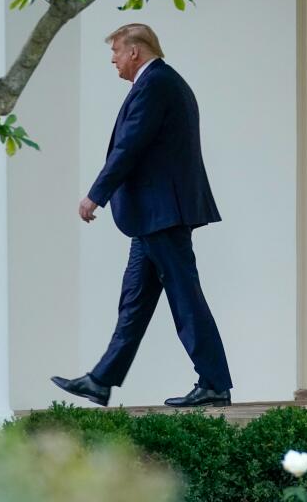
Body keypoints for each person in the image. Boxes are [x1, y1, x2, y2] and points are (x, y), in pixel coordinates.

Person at [51, 23, 233, 408]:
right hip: (153, 216)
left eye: (115, 52)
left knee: (186, 298)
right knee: (134, 301)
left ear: (135, 51)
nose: (113, 61)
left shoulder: (156, 85)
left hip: (161, 215)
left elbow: (129, 147)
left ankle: (215, 382)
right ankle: (101, 380)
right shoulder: (162, 83)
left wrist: (95, 196)